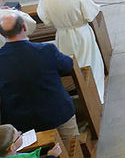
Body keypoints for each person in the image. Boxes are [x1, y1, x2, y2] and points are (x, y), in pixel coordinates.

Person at [0, 12, 78, 140]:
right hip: (57, 112)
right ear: (24, 28)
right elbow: (68, 65)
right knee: (72, 145)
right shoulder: (46, 50)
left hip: (22, 123)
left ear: (1, 34)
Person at [37, 0, 106, 100]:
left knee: (71, 64)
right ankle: (94, 92)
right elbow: (90, 15)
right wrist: (97, 7)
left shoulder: (45, 1)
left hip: (62, 35)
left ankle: (77, 89)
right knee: (90, 61)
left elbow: (46, 21)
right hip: (81, 34)